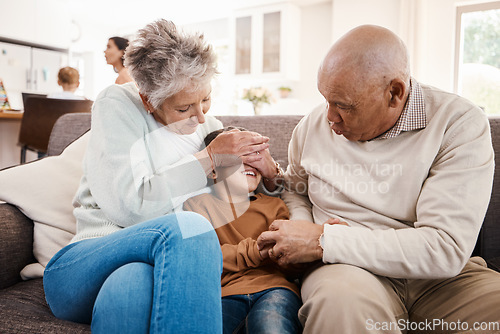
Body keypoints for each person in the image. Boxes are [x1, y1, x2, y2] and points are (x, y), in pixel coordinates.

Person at [43, 19, 283, 333]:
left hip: (151, 268)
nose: (200, 117)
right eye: (184, 108)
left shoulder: (210, 129)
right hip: (83, 264)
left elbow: (251, 198)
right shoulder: (117, 104)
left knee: (129, 287)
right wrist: (208, 159)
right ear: (148, 100)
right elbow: (130, 207)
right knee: (190, 228)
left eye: (206, 100)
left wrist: (271, 174)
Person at [257, 25, 500, 333]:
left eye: (343, 106)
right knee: (340, 306)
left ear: (394, 93)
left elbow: (443, 248)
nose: (329, 117)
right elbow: (295, 188)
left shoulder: (459, 124)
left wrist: (323, 240)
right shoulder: (313, 125)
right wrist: (303, 231)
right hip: (348, 271)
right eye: (325, 100)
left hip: (442, 282)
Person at [184, 127, 303, 334]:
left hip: (275, 290)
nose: (250, 163)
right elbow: (203, 259)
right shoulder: (197, 206)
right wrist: (256, 251)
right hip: (222, 294)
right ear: (213, 169)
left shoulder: (275, 206)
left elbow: (291, 266)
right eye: (239, 157)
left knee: (271, 327)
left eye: (255, 157)